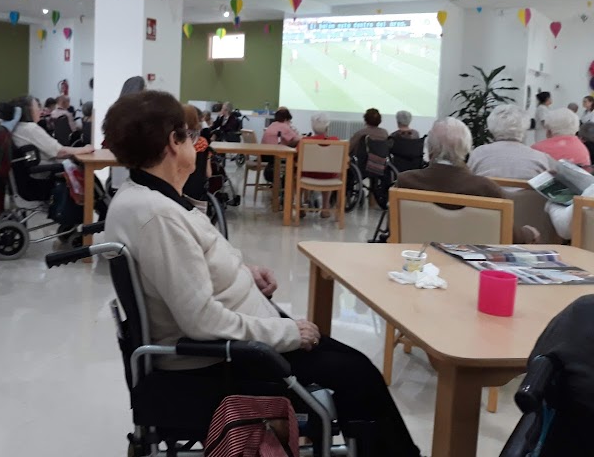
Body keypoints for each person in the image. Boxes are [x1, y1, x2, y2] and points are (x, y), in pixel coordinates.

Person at [102, 90, 423, 457]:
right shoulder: (156, 217)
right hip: (223, 360)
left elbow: (191, 267)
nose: (195, 142)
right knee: (358, 375)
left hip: (238, 342)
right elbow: (201, 321)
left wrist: (244, 273)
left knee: (352, 367)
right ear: (173, 143)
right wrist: (286, 332)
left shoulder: (146, 199)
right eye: (190, 135)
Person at [397, 117, 540, 243]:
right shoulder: (486, 188)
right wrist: (529, 233)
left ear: (430, 149)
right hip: (472, 266)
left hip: (417, 262)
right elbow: (510, 236)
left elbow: (395, 229)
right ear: (466, 149)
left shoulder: (406, 182)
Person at [468, 105, 552, 179]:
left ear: (491, 127)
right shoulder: (540, 158)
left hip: (487, 196)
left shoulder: (478, 153)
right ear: (525, 127)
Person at [10, 95, 93, 163]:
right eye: (37, 106)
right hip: (46, 170)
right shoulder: (31, 129)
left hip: (32, 170)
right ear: (28, 110)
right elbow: (61, 152)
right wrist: (84, 149)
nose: (41, 110)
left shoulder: (16, 128)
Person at [302, 113, 340, 218]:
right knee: (331, 173)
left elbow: (297, 157)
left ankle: (300, 205)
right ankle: (325, 208)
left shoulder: (304, 141)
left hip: (306, 177)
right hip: (328, 177)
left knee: (296, 172)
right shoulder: (336, 141)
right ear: (327, 126)